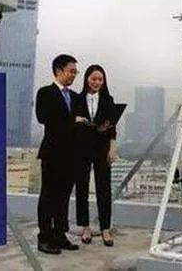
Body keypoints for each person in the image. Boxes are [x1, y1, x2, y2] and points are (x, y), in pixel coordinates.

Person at [35, 54, 81, 255]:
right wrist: (72, 121)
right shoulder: (45, 93)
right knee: (48, 196)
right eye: (71, 71)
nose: (74, 75)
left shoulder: (76, 97)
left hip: (71, 155)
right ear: (59, 70)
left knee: (63, 197)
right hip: (52, 153)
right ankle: (44, 237)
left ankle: (60, 234)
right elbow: (43, 117)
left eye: (76, 72)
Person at [74, 64, 119, 247]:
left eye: (100, 79)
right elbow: (71, 122)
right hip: (81, 148)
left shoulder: (108, 100)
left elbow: (112, 126)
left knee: (104, 189)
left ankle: (105, 228)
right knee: (82, 188)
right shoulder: (77, 99)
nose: (97, 82)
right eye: (94, 78)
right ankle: (85, 227)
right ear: (87, 79)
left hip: (102, 148)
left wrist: (112, 146)